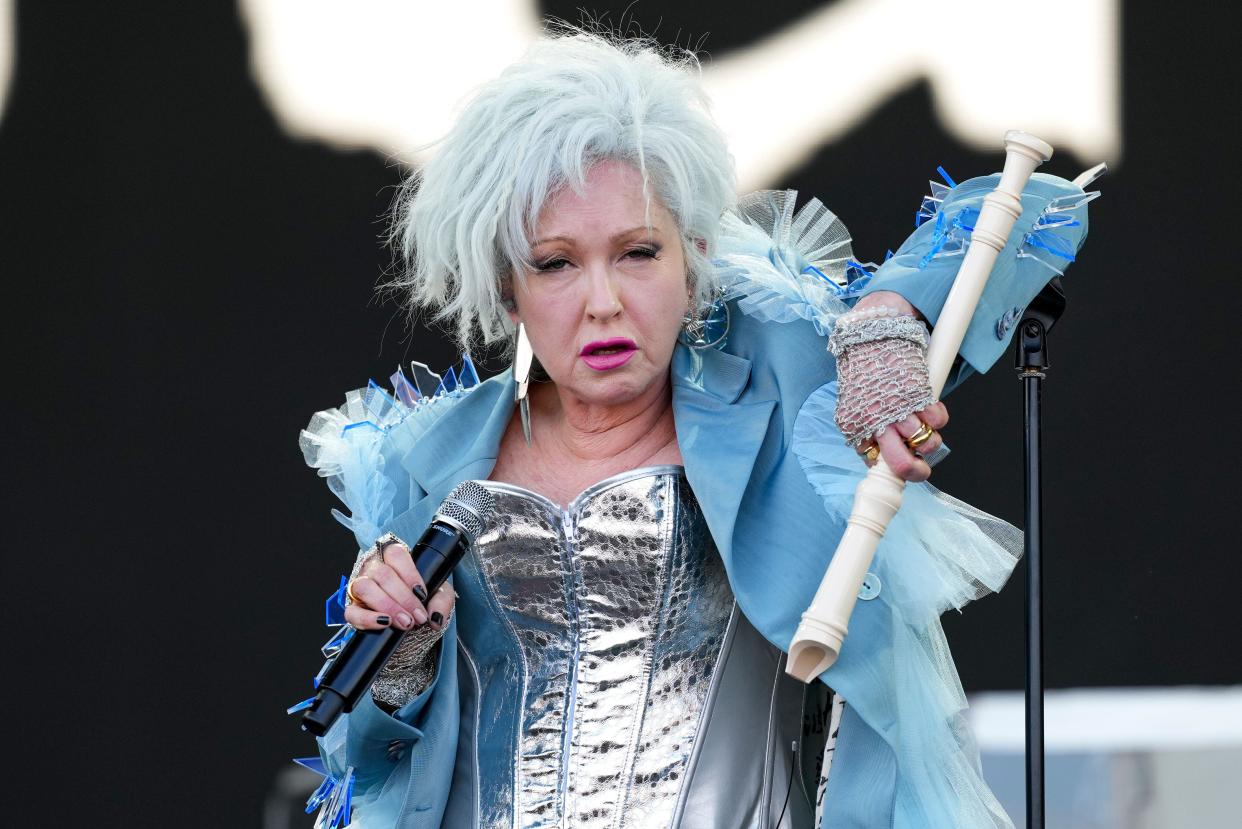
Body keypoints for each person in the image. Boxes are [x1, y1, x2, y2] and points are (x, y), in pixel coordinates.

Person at [296, 28, 1092, 829]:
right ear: (509, 289)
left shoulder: (784, 382)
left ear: (695, 256)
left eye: (638, 252)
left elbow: (1041, 206)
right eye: (556, 263)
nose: (602, 299)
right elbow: (366, 761)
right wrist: (404, 655)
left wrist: (888, 318)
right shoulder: (424, 459)